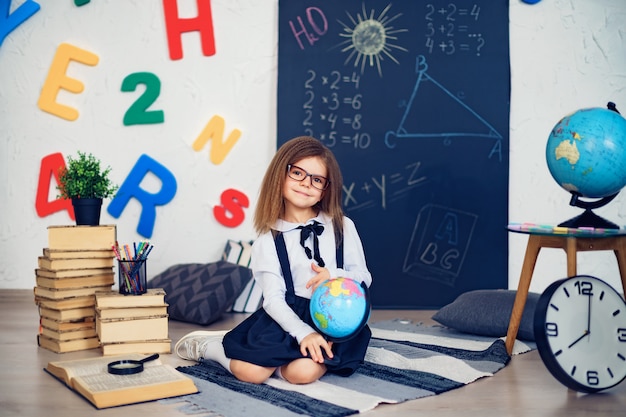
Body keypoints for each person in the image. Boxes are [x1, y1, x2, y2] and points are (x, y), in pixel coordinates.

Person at [175, 136, 372, 385]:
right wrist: (303, 333)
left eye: (317, 179)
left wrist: (334, 276)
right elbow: (274, 300)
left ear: (326, 188)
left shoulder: (342, 226)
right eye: (298, 173)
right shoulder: (268, 240)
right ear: (281, 173)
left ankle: (278, 365)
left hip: (335, 320)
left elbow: (364, 277)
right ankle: (211, 347)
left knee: (302, 374)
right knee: (251, 373)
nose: (306, 184)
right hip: (287, 318)